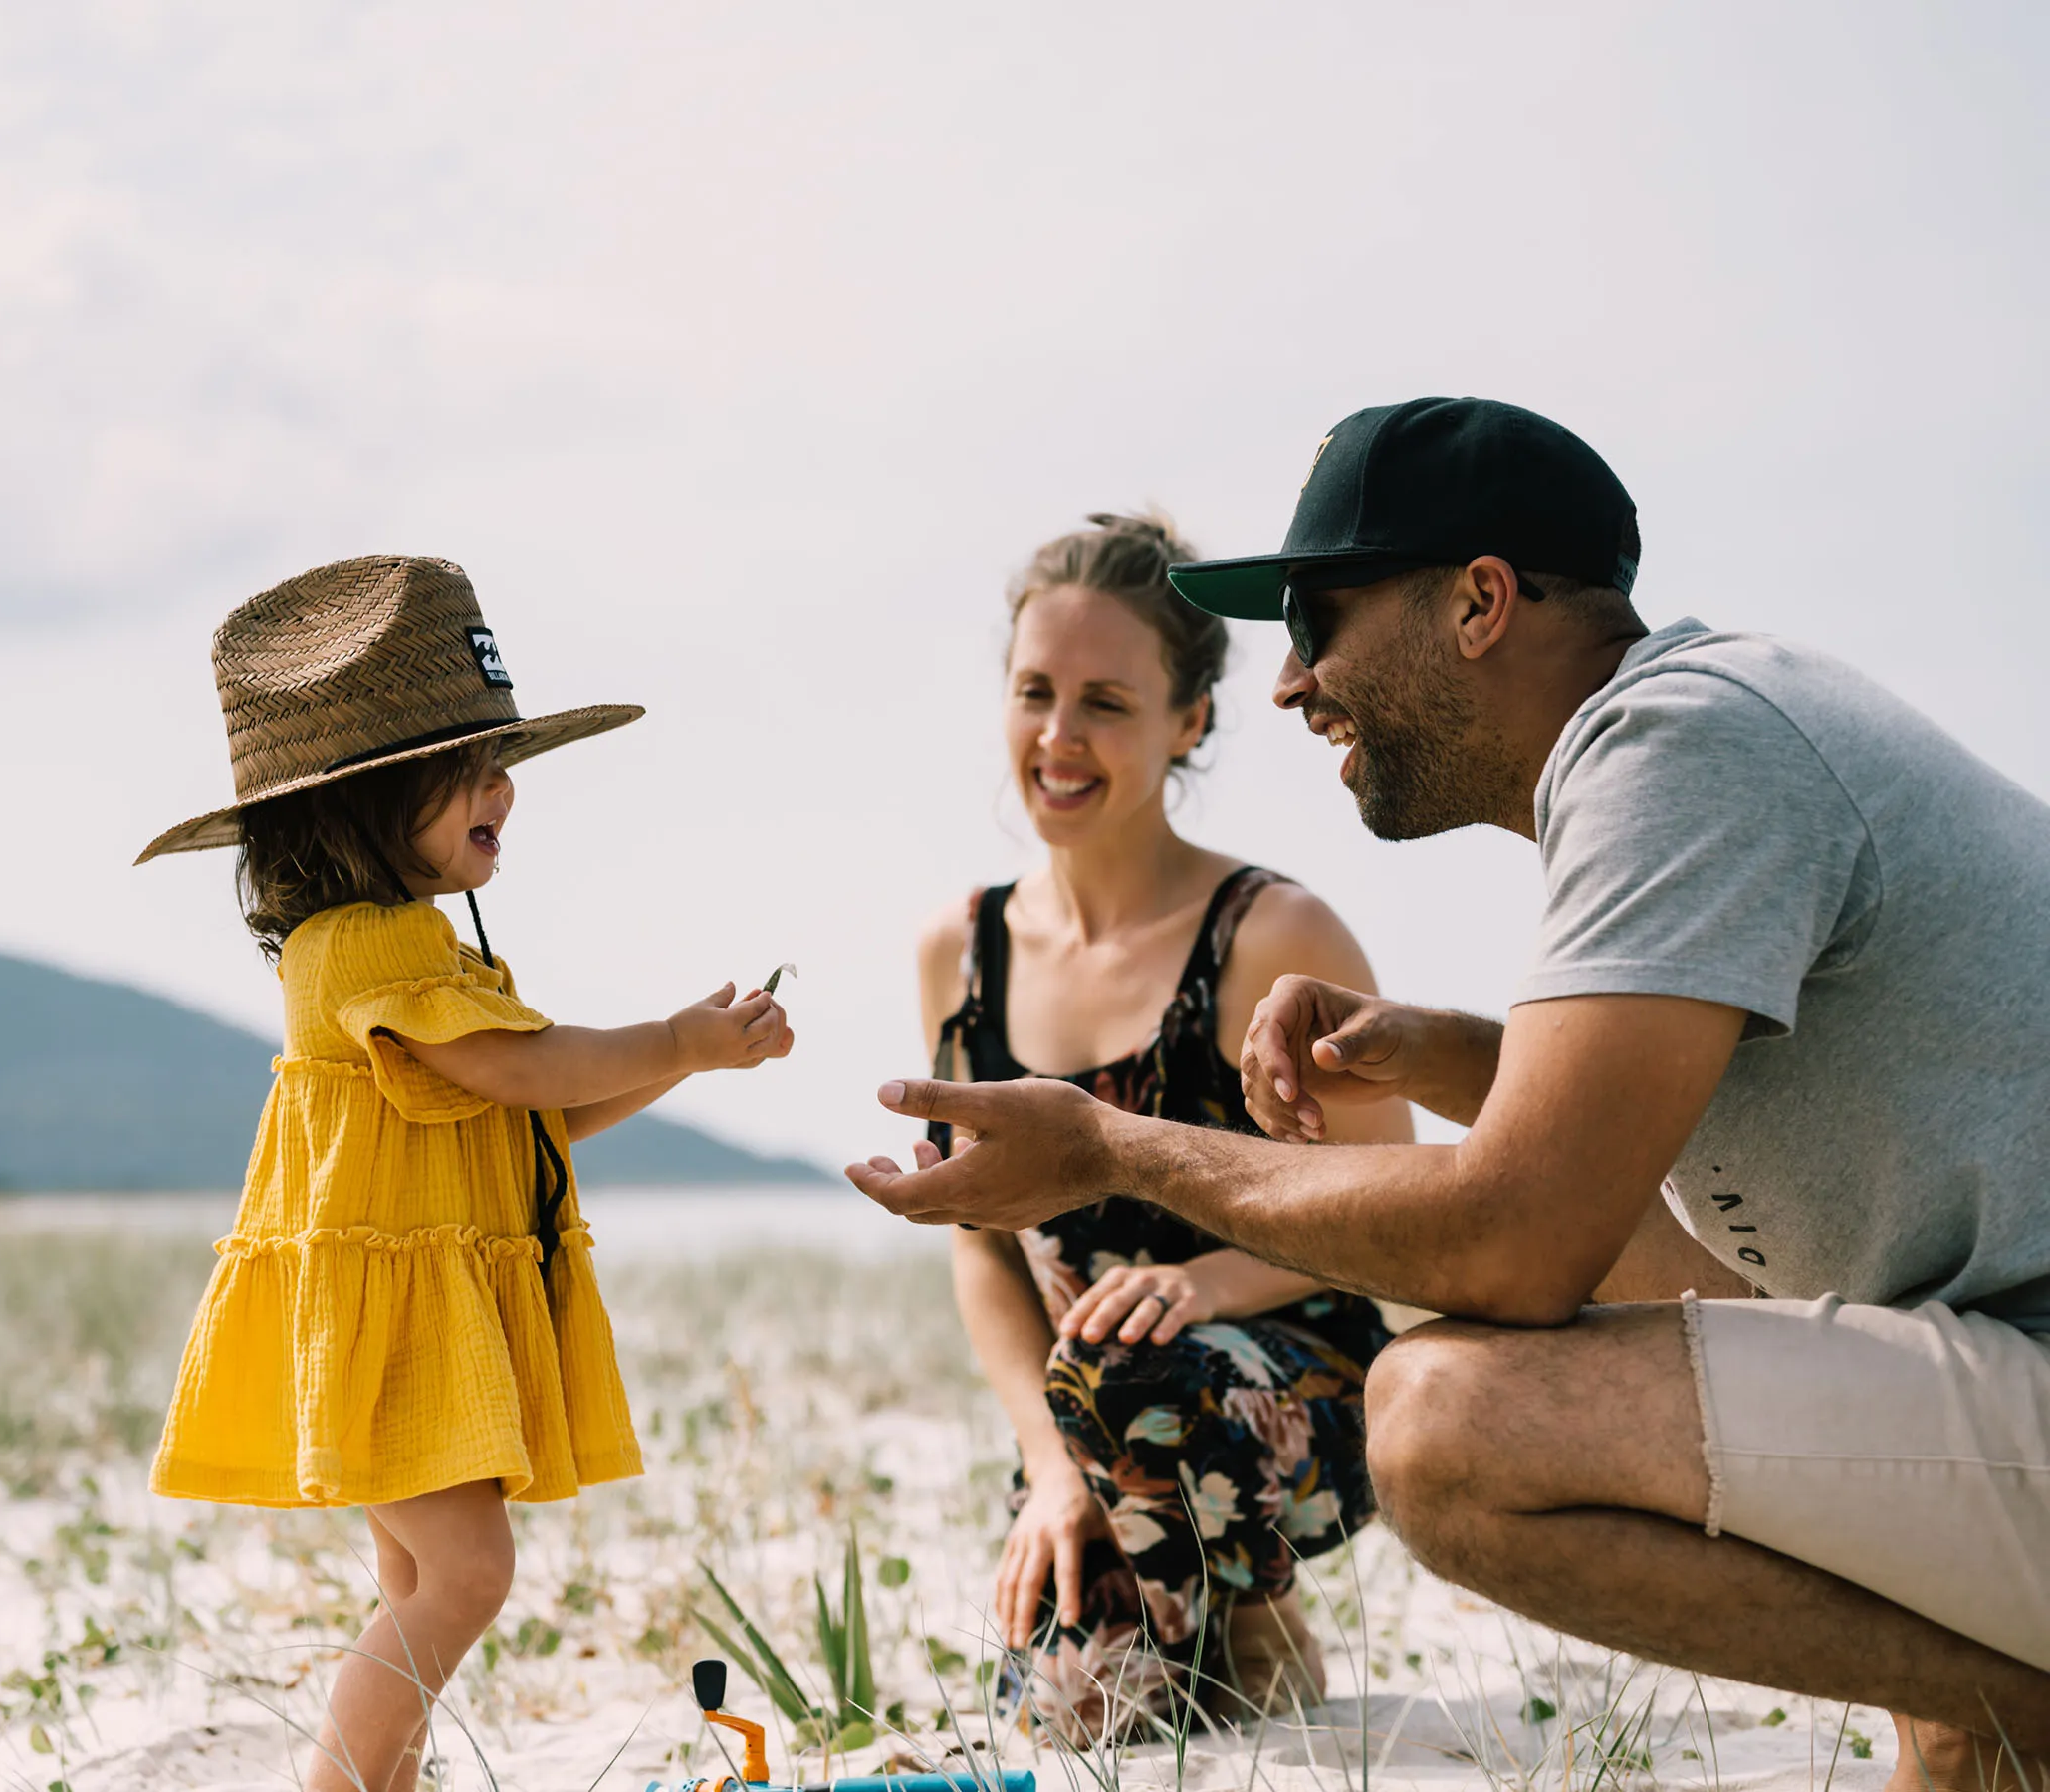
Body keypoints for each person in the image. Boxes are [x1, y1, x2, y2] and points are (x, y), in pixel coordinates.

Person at [850, 400, 2050, 1789]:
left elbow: (1516, 1244)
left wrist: (1112, 1149)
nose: (1293, 684)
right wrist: (1446, 1054)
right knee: (1655, 1259)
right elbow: (1624, 1156)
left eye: (1320, 620)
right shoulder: (1708, 723)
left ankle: (2008, 1707)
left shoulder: (1678, 751)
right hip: (1995, 1348)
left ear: (1480, 601)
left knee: (1449, 1423)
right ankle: (1975, 1724)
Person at [138, 556, 794, 1792]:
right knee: (470, 1576)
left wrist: (691, 1062)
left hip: (400, 1317)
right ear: (367, 803)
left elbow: (533, 1116)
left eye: (503, 761)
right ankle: (340, 1782)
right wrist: (674, 1038)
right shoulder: (366, 947)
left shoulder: (407, 950)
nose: (503, 787)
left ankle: (389, 1777)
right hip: (394, 1322)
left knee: (418, 1578)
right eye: (469, 768)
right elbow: (517, 1069)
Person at [920, 512, 1412, 1739]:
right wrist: (1049, 1468)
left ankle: (1261, 1611)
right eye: (1036, 692)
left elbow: (1406, 1204)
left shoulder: (1272, 935)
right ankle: (1148, 1577)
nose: (1059, 736)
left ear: (1189, 721)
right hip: (1090, 1417)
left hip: (1286, 1383)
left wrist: (1204, 1284)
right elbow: (981, 1245)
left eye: (1107, 702)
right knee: (1074, 1715)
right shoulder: (960, 953)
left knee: (1138, 1367)